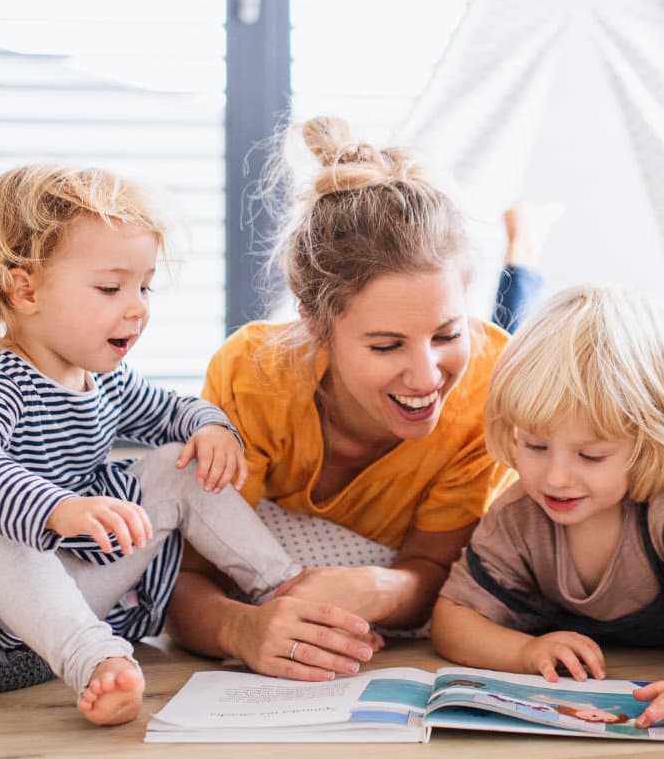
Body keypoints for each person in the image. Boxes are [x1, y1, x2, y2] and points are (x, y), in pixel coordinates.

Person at [167, 118, 537, 680]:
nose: (426, 375)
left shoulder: (488, 390)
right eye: (386, 345)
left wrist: (379, 587)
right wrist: (239, 629)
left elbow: (439, 572)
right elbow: (187, 577)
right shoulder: (253, 375)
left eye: (447, 334)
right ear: (317, 326)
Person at [0, 164, 337, 726]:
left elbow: (174, 410)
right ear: (25, 289)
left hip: (77, 594)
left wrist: (210, 428)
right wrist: (58, 508)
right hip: (13, 622)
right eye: (110, 288)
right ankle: (96, 660)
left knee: (176, 463)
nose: (136, 308)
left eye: (144, 286)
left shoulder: (105, 380)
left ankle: (284, 589)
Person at [430, 285, 664, 742]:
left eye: (590, 456)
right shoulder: (518, 515)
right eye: (534, 445)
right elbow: (451, 618)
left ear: (650, 446)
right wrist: (525, 651)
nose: (555, 477)